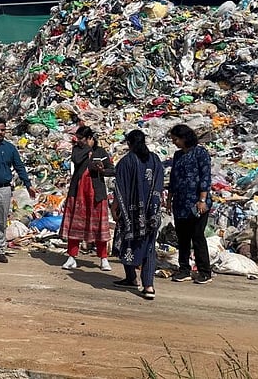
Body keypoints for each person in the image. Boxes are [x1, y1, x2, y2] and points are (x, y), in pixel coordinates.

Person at [112, 130, 164, 300]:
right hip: (152, 213)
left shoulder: (126, 161)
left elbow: (120, 188)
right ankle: (148, 286)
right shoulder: (155, 160)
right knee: (149, 246)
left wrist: (115, 207)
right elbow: (159, 185)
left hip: (131, 215)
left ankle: (132, 278)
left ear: (129, 143)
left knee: (128, 241)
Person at [59, 126, 115, 271]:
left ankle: (103, 258)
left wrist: (102, 169)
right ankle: (72, 256)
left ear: (90, 138)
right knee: (75, 225)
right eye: (77, 138)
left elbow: (111, 170)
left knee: (99, 227)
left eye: (81, 138)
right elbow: (76, 160)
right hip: (78, 193)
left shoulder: (101, 152)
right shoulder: (78, 150)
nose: (78, 141)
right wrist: (88, 149)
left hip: (96, 194)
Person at [166, 124, 213, 284]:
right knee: (183, 237)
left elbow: (205, 177)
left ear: (185, 138)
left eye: (176, 139)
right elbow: (173, 178)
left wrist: (202, 200)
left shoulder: (200, 153)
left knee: (197, 236)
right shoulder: (178, 155)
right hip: (180, 202)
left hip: (196, 202)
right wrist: (169, 199)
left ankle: (204, 271)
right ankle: (184, 269)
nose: (174, 142)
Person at [0, 117, 37, 263]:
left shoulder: (10, 148)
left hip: (4, 189)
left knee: (2, 221)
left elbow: (19, 167)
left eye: (3, 130)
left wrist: (28, 185)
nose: (0, 133)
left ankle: (0, 250)